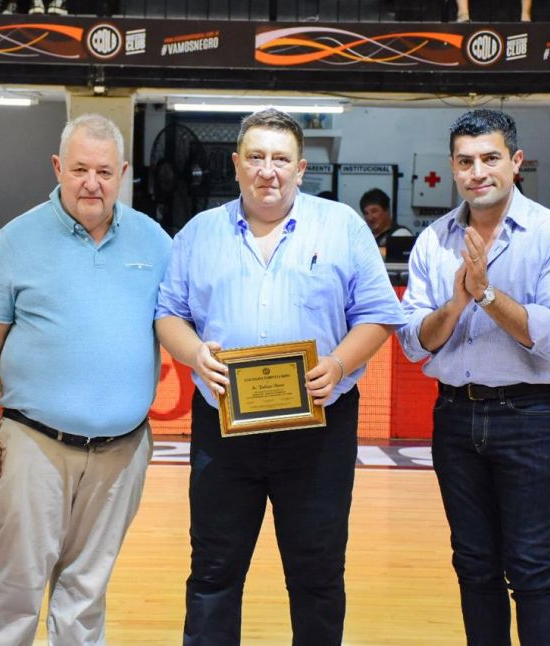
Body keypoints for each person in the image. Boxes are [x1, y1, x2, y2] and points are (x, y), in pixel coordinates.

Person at [154, 108, 405, 645]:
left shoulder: (342, 227)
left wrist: (338, 364)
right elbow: (168, 314)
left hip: (319, 430)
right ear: (235, 164)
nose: (268, 170)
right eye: (256, 157)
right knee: (214, 571)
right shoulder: (198, 233)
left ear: (301, 167)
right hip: (224, 427)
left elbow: (379, 314)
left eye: (280, 159)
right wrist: (195, 353)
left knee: (317, 572)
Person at [0, 113, 171, 645]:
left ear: (123, 173)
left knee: (86, 595)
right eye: (79, 169)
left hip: (123, 452)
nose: (91, 183)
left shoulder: (154, 242)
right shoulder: (16, 239)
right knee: (14, 590)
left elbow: (179, 324)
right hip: (33, 445)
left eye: (104, 171)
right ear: (58, 167)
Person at [397, 109, 550, 646]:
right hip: (455, 416)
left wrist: (484, 293)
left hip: (529, 417)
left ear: (515, 161)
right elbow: (413, 340)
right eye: (465, 161)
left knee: (532, 567)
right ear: (452, 167)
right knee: (474, 565)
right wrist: (457, 302)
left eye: (490, 158)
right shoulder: (434, 240)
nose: (477, 172)